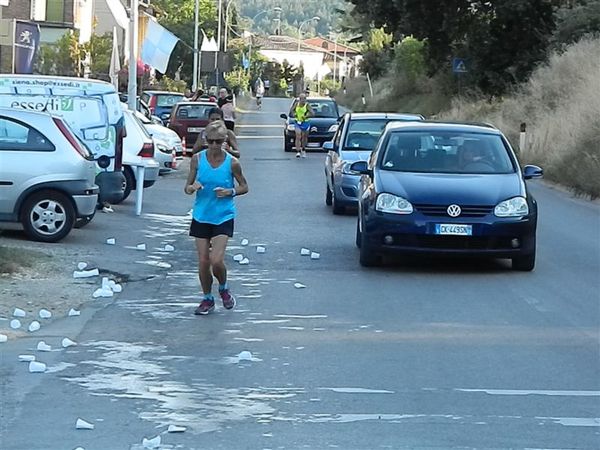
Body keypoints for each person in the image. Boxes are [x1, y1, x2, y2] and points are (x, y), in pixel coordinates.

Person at [185, 121, 249, 315]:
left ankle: (223, 288)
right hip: (201, 215)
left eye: (218, 141)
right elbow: (187, 188)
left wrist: (230, 191)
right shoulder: (197, 159)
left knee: (216, 260)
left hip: (223, 215)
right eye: (211, 141)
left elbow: (244, 186)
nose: (214, 145)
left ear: (225, 141)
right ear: (205, 140)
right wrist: (192, 187)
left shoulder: (232, 162)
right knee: (204, 261)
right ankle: (207, 298)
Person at [291, 93, 313, 158]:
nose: (303, 100)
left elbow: (312, 113)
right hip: (298, 122)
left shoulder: (307, 105)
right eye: (302, 99)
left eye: (304, 99)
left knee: (304, 137)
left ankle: (303, 149)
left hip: (305, 123)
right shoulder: (296, 104)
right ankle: (298, 151)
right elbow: (291, 111)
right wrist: (294, 114)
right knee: (298, 136)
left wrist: (306, 116)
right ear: (299, 99)